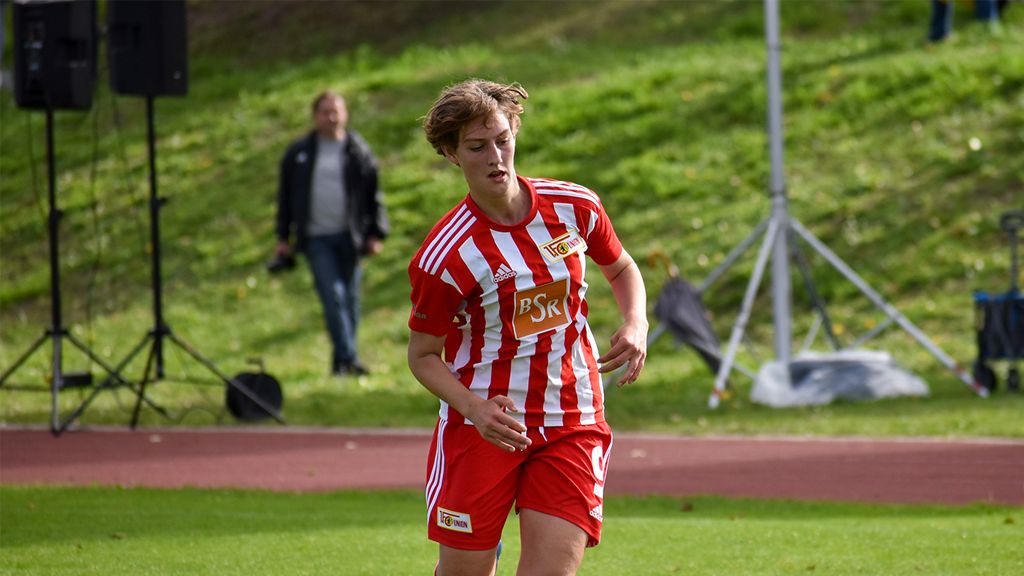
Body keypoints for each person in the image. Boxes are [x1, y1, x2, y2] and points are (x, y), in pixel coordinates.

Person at [407, 79, 648, 576]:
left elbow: (621, 268)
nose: (496, 156)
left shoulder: (574, 207)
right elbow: (423, 355)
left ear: (515, 130)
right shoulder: (447, 255)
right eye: (477, 147)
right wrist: (476, 410)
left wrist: (635, 321)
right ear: (452, 154)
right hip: (488, 425)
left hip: (571, 416)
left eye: (503, 139)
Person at [275, 90, 388, 376]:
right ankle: (350, 359)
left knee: (350, 299)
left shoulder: (357, 151)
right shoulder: (299, 153)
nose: (332, 116)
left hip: (350, 236)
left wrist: (376, 233)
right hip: (315, 238)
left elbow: (374, 194)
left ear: (345, 114)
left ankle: (341, 363)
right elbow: (285, 197)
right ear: (315, 116)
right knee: (333, 296)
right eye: (325, 111)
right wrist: (282, 238)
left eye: (336, 110)